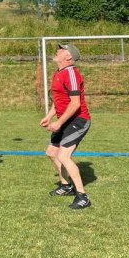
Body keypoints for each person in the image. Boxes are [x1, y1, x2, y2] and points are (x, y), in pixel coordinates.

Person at [40, 44, 92, 210]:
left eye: (62, 50)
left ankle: (83, 197)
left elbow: (75, 103)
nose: (58, 51)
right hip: (65, 119)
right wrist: (49, 116)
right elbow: (59, 100)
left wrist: (59, 123)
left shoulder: (71, 73)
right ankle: (66, 186)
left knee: (63, 156)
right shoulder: (58, 72)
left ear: (68, 57)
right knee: (51, 152)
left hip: (78, 120)